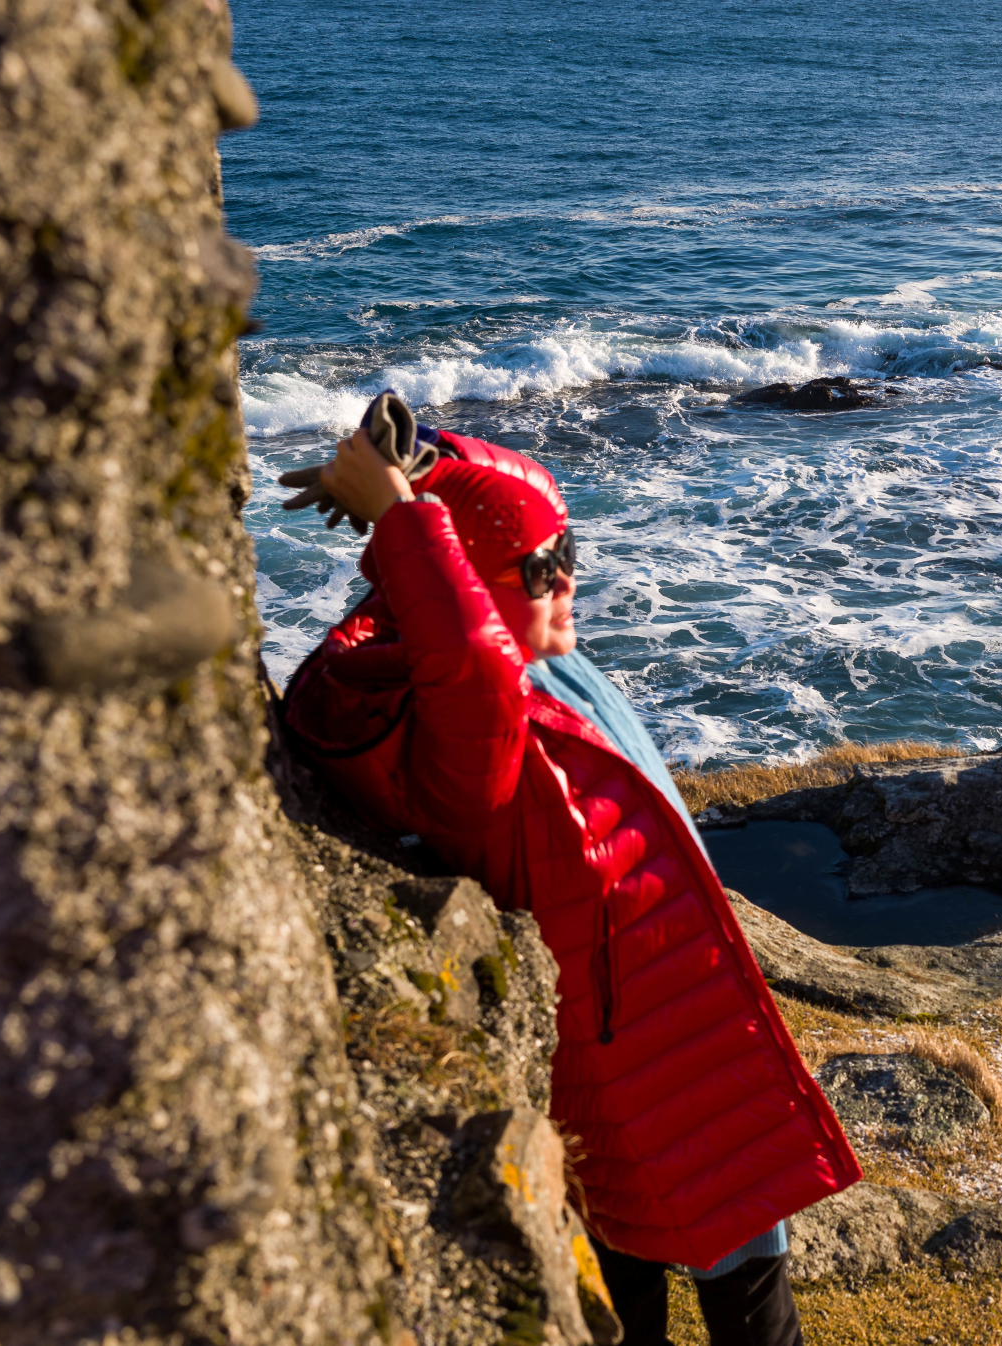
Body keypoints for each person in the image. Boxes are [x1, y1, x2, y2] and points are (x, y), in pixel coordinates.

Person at [280, 395, 858, 1346]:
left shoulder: (543, 672)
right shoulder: (471, 734)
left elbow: (488, 561)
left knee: (750, 1294)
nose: (568, 580)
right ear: (472, 588)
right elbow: (464, 653)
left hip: (681, 1035)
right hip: (618, 1066)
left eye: (571, 553)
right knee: (639, 1311)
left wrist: (429, 463)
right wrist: (401, 513)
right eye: (544, 569)